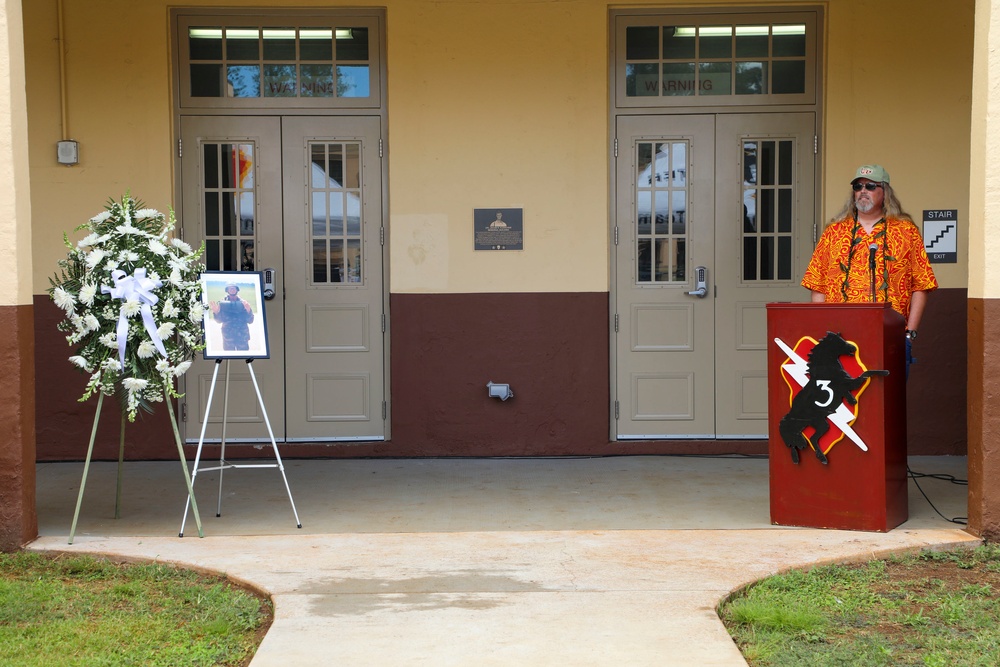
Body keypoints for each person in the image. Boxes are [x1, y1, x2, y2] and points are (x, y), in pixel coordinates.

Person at [801, 164, 938, 374]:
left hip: (891, 335)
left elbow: (921, 284)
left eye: (871, 186)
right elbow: (817, 285)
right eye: (858, 186)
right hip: (841, 337)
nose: (863, 191)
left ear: (885, 192)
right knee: (849, 403)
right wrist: (824, 330)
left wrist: (909, 333)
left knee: (889, 403)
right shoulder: (834, 232)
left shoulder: (905, 231)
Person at [209, 283, 255, 351]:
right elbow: (219, 321)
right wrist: (216, 312)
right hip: (228, 337)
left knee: (243, 356)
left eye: (234, 288)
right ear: (227, 290)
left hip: (242, 335)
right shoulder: (223, 303)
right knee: (229, 358)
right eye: (230, 288)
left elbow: (250, 321)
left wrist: (248, 310)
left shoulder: (243, 303)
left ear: (237, 290)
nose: (232, 290)